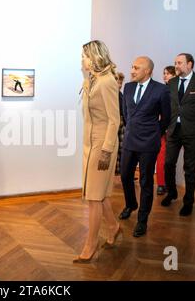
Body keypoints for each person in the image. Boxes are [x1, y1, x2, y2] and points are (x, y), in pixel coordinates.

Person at [74, 40, 122, 263]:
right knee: (98, 193)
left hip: (102, 145)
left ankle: (90, 244)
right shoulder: (91, 81)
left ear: (93, 57)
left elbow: (115, 120)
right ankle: (113, 226)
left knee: (93, 197)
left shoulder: (107, 82)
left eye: (84, 56)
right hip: (89, 144)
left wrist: (106, 150)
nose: (81, 60)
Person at [119, 57, 170, 237]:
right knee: (125, 175)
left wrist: (155, 131)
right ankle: (131, 204)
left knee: (146, 181)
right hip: (130, 140)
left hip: (149, 143)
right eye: (132, 66)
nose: (132, 71)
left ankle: (142, 219)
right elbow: (126, 112)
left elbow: (166, 117)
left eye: (136, 68)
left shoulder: (161, 90)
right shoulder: (129, 87)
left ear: (147, 71)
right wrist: (132, 126)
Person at [162, 53, 195, 216]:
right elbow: (166, 106)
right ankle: (171, 193)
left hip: (193, 133)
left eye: (179, 63)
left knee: (189, 168)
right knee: (168, 164)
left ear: (189, 64)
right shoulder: (171, 82)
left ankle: (188, 202)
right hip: (173, 131)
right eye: (175, 63)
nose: (176, 66)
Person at [156, 66, 176, 195]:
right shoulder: (162, 90)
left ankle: (169, 184)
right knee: (161, 156)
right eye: (164, 73)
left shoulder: (178, 90)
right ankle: (161, 184)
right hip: (163, 127)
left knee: (171, 159)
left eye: (168, 74)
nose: (165, 76)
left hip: (174, 127)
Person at [115, 72, 125, 179]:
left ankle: (122, 171)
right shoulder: (112, 95)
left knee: (122, 147)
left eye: (121, 82)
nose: (120, 84)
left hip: (122, 122)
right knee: (116, 148)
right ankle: (117, 171)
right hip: (116, 122)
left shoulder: (121, 95)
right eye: (118, 81)